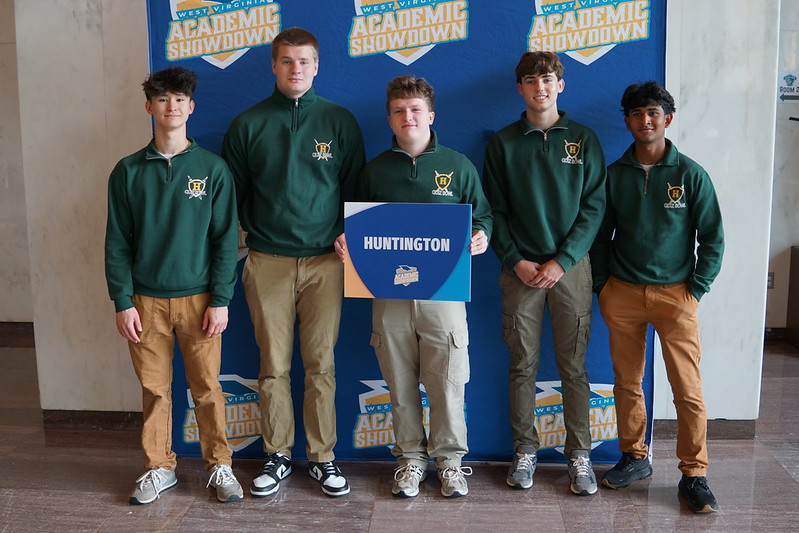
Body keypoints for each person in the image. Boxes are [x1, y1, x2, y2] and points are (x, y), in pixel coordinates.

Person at [221, 27, 365, 498]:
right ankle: (277, 454)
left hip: (326, 262)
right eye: (286, 61)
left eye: (304, 61)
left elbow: (355, 191)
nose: (295, 69)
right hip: (268, 261)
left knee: (321, 364)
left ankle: (322, 457)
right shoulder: (248, 124)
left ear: (316, 66)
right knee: (273, 366)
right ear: (274, 65)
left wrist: (346, 234)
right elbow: (232, 196)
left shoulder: (340, 122)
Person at [335, 75, 492, 498]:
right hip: (389, 294)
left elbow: (482, 215)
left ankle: (450, 462)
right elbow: (354, 223)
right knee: (400, 383)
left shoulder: (458, 165)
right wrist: (346, 240)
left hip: (444, 292)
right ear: (389, 118)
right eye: (400, 110)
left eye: (416, 109)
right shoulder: (374, 171)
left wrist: (482, 235)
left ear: (431, 116)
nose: (408, 117)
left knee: (447, 383)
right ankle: (410, 460)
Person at [104, 67, 243, 505]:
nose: (172, 107)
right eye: (163, 99)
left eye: (179, 99)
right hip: (145, 301)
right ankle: (158, 467)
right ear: (149, 107)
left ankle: (219, 465)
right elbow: (116, 241)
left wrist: (221, 299)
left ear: (191, 107)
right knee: (154, 390)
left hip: (200, 299)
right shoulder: (127, 171)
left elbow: (225, 240)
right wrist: (122, 300)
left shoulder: (213, 169)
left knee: (207, 388)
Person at [591, 81, 724, 513]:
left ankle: (694, 474)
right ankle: (635, 457)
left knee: (687, 387)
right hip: (622, 294)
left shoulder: (690, 174)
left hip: (676, 295)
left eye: (653, 113)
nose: (645, 121)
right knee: (627, 382)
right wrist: (603, 285)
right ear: (627, 121)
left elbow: (713, 237)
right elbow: (599, 236)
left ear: (667, 118)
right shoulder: (614, 175)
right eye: (636, 114)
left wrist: (697, 288)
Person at [482, 51, 606, 495]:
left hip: (570, 269)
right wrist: (515, 258)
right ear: (520, 88)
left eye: (548, 79)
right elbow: (493, 211)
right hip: (520, 270)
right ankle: (525, 450)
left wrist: (563, 260)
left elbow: (594, 208)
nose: (541, 87)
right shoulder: (503, 143)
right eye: (532, 80)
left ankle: (580, 455)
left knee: (574, 366)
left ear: (561, 85)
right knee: (522, 364)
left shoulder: (584, 140)